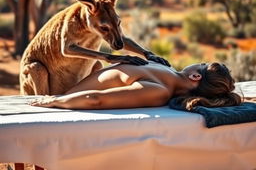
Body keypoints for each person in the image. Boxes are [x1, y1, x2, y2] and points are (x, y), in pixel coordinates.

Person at [30, 61, 242, 110]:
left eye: (202, 64)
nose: (197, 61)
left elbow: (96, 99)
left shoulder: (159, 90)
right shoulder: (164, 69)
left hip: (69, 99)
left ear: (196, 76)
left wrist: (53, 101)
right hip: (70, 91)